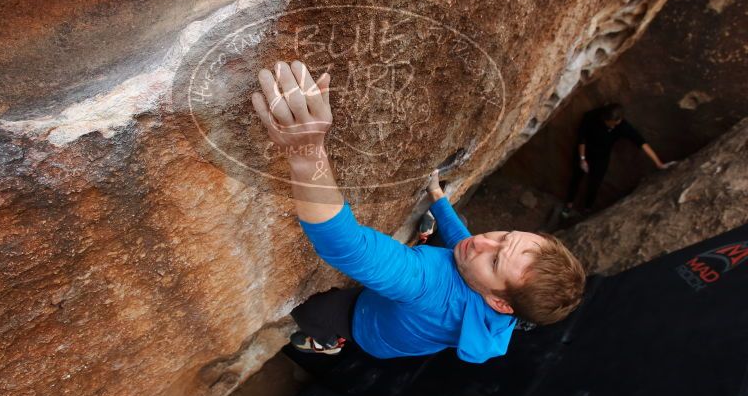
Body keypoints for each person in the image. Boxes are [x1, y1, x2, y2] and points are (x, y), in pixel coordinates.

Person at [250, 60, 586, 362]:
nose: (484, 242)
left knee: (311, 312)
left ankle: (329, 341)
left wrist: (307, 154)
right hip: (418, 322)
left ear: (501, 305)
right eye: (503, 237)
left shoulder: (432, 285)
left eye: (495, 260)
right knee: (459, 231)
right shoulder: (508, 294)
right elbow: (466, 242)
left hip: (369, 326)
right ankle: (432, 236)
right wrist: (440, 201)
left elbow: (347, 246)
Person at [562, 104, 674, 218]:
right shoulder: (591, 116)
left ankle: (587, 210)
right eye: (610, 123)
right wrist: (582, 159)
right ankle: (569, 205)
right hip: (584, 153)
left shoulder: (622, 126)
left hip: (601, 157)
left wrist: (658, 163)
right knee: (576, 178)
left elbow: (641, 143)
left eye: (615, 123)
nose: (612, 125)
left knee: (595, 184)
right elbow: (582, 138)